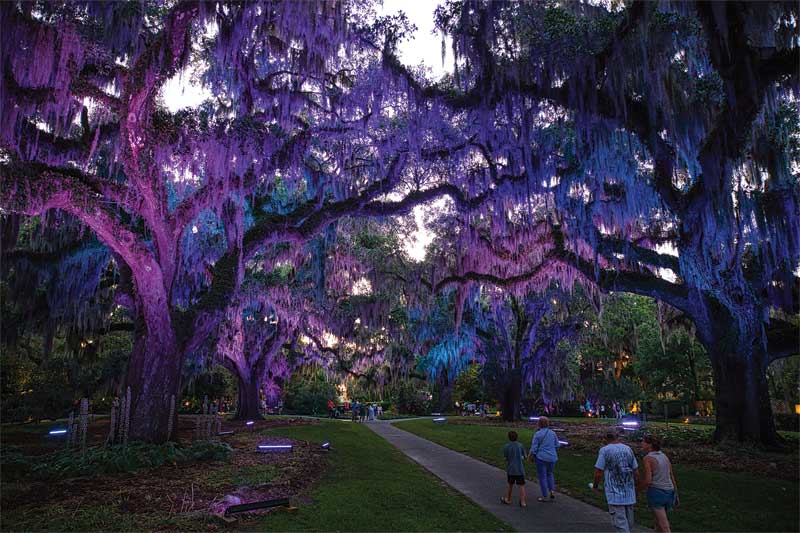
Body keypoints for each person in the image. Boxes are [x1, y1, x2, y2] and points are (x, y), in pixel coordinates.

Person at [592, 428, 640, 532]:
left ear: (605, 439)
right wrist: (637, 486)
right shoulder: (628, 449)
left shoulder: (604, 450)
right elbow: (635, 470)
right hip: (629, 491)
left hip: (614, 493)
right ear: (617, 437)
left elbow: (598, 471)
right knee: (629, 522)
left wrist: (595, 486)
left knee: (620, 524)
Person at [641, 434, 678, 533]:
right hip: (669, 491)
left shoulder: (648, 459)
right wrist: (676, 493)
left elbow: (648, 480)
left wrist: (638, 489)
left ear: (650, 445)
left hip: (657, 492)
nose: (642, 443)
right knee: (658, 522)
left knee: (664, 526)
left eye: (643, 442)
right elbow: (671, 475)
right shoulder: (664, 456)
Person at [529, 416, 560, 502]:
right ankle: (552, 491)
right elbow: (557, 445)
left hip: (541, 457)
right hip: (552, 457)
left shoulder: (538, 434)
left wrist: (531, 456)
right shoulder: (552, 433)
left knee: (542, 476)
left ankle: (545, 495)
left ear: (539, 423)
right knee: (550, 474)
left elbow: (534, 448)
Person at [501, 430, 527, 507]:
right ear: (517, 437)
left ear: (508, 438)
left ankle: (508, 499)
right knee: (521, 485)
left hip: (511, 469)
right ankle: (523, 502)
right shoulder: (520, 445)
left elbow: (506, 458)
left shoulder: (506, 446)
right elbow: (524, 456)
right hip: (519, 469)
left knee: (510, 485)